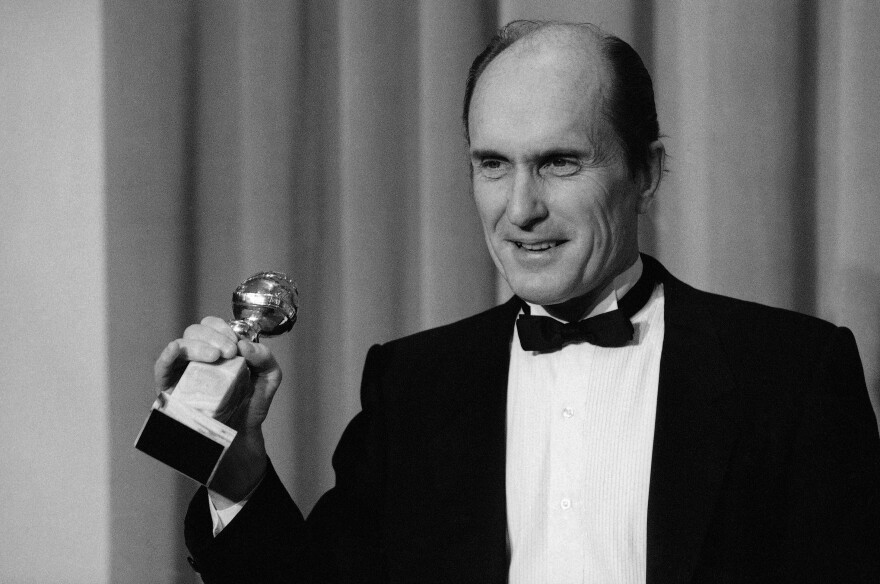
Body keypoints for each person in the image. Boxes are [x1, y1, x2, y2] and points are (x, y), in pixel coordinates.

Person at [155, 21, 880, 583]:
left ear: (647, 172)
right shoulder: (413, 385)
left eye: (560, 162)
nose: (521, 208)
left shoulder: (795, 375)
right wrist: (237, 464)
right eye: (492, 165)